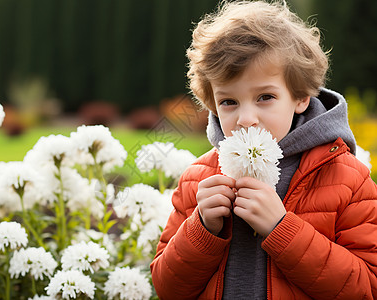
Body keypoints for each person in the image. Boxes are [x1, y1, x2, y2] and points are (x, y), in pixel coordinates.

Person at [150, 1, 377, 299]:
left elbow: (367, 288)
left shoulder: (348, 178)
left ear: (300, 97)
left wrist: (282, 229)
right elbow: (167, 288)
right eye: (228, 102)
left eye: (265, 97)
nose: (246, 119)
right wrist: (201, 229)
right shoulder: (198, 179)